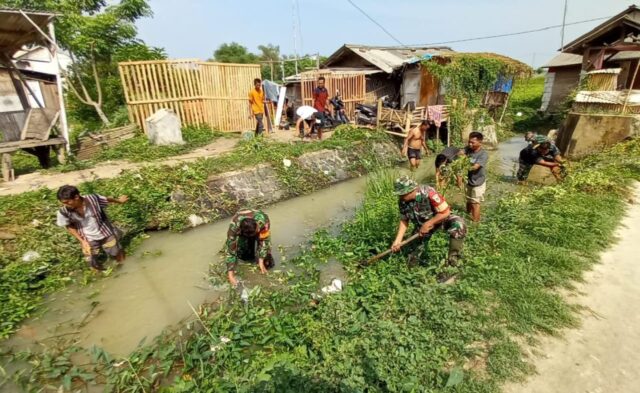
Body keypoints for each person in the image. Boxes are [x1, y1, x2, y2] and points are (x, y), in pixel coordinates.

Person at [390, 176, 466, 282]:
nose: (400, 197)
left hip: (440, 220)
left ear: (410, 190)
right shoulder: (402, 201)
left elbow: (445, 212)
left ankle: (452, 263)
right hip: (421, 228)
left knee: (459, 224)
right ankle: (414, 276)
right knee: (413, 255)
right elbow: (404, 220)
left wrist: (429, 223)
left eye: (402, 194)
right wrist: (398, 240)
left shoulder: (429, 192)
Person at [56, 185, 128, 272]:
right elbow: (69, 226)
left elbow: (106, 199)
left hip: (105, 232)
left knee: (117, 252)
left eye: (67, 202)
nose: (65, 205)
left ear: (76, 197)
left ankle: (123, 269)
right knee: (92, 262)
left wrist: (119, 201)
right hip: (87, 238)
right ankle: (100, 275)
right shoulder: (64, 211)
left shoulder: (93, 199)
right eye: (63, 202)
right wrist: (82, 241)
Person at [225, 208, 275, 287]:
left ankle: (263, 261)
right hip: (244, 232)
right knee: (245, 257)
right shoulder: (234, 228)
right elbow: (230, 252)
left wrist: (261, 261)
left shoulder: (263, 221)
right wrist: (230, 276)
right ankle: (247, 245)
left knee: (267, 263)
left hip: (260, 228)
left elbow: (264, 241)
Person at [461, 131, 488, 222]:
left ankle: (475, 224)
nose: (470, 144)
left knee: (475, 203)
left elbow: (475, 167)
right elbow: (460, 152)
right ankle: (467, 217)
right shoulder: (468, 149)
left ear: (480, 142)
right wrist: (461, 155)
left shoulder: (483, 154)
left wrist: (463, 166)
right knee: (468, 200)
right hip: (468, 181)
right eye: (469, 142)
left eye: (473, 142)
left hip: (478, 182)